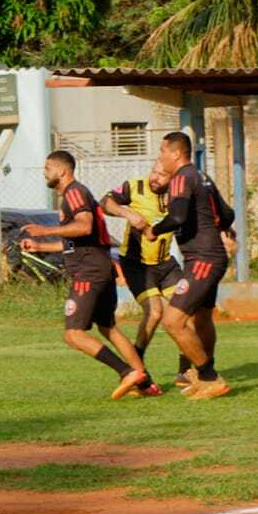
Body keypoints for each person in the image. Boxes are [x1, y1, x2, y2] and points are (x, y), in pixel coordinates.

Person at [20, 151, 158, 399]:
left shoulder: (73, 192)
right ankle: (145, 384)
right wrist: (40, 246)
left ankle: (127, 372)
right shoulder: (76, 194)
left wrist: (44, 230)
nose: (45, 172)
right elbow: (77, 242)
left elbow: (85, 226)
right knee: (109, 328)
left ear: (62, 171)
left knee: (73, 334)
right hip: (100, 266)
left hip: (89, 272)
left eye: (48, 167)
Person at [145, 132, 237, 400]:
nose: (160, 156)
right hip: (209, 256)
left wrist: (155, 230)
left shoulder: (181, 178)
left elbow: (177, 216)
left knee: (172, 321)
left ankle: (209, 376)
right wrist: (217, 228)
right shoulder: (202, 176)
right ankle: (204, 373)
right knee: (202, 318)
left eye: (162, 151)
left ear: (176, 153)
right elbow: (228, 213)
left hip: (203, 259)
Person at [101, 161, 192, 388]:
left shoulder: (179, 194)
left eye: (162, 175)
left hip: (166, 265)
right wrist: (126, 213)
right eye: (154, 171)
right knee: (154, 313)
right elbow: (104, 203)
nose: (155, 177)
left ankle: (185, 371)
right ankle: (137, 369)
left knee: (187, 312)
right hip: (136, 265)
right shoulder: (135, 187)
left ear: (172, 179)